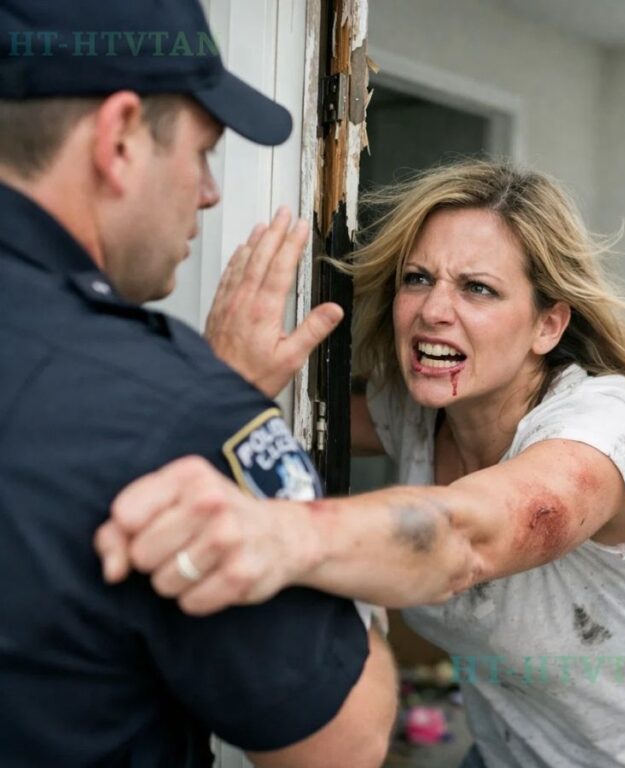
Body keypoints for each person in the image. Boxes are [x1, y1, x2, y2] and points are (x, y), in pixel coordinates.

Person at [96, 161, 625, 768]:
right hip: (514, 752)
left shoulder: (607, 427)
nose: (432, 311)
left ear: (547, 326)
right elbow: (270, 428)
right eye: (418, 279)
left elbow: (471, 534)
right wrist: (223, 386)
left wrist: (278, 536)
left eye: (477, 289)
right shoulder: (413, 413)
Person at [0, 1, 398, 766]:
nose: (211, 192)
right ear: (118, 139)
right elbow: (343, 744)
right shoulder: (183, 415)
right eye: (204, 151)